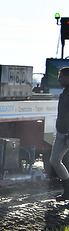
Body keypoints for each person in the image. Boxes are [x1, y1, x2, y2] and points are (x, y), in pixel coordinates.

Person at [51, 66, 69, 201]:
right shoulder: (64, 93)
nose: (58, 79)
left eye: (61, 76)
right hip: (61, 132)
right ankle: (67, 191)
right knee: (54, 161)